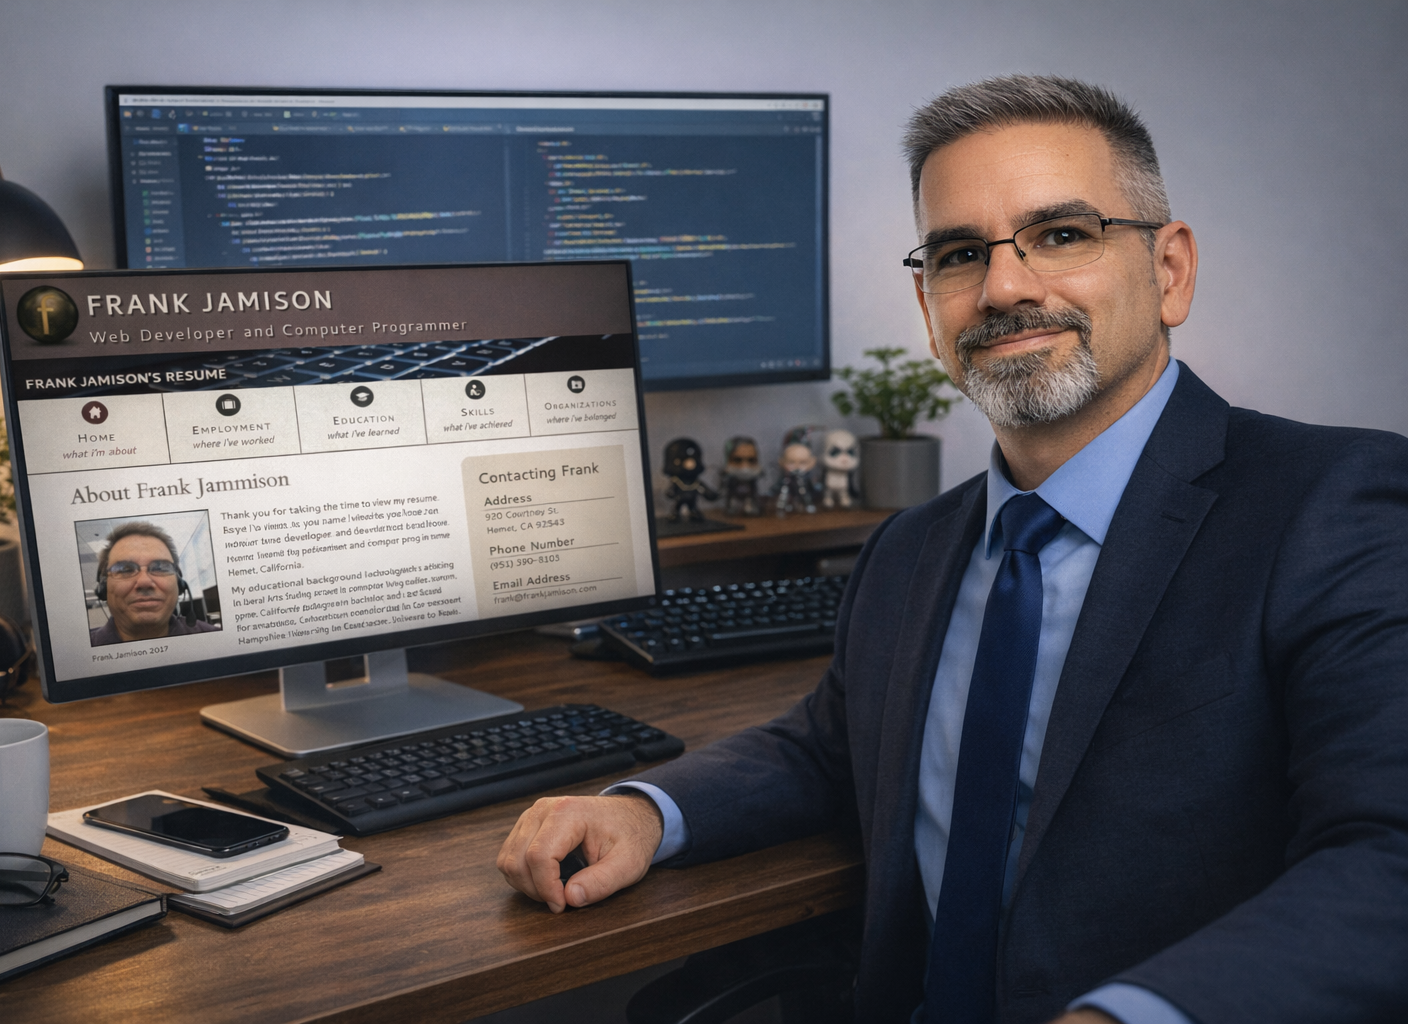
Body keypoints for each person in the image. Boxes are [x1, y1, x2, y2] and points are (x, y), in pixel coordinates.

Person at [497, 75, 1408, 1024]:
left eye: (1062, 234)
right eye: (961, 253)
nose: (1006, 287)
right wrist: (644, 808)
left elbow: (1390, 859)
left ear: (1169, 270)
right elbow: (828, 749)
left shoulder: (1335, 505)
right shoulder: (911, 548)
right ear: (929, 305)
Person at [89, 521, 219, 645]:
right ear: (103, 588)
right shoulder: (76, 654)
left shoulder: (216, 640)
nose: (144, 582)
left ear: (179, 584)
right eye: (125, 570)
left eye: (160, 568)